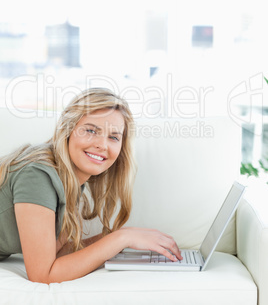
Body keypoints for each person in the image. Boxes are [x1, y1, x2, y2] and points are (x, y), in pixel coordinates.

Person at [0, 87, 182, 283]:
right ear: (68, 129)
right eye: (90, 130)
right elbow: (43, 274)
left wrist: (122, 236)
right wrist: (121, 239)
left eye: (113, 137)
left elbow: (56, 253)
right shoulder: (37, 174)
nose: (102, 145)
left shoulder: (69, 178)